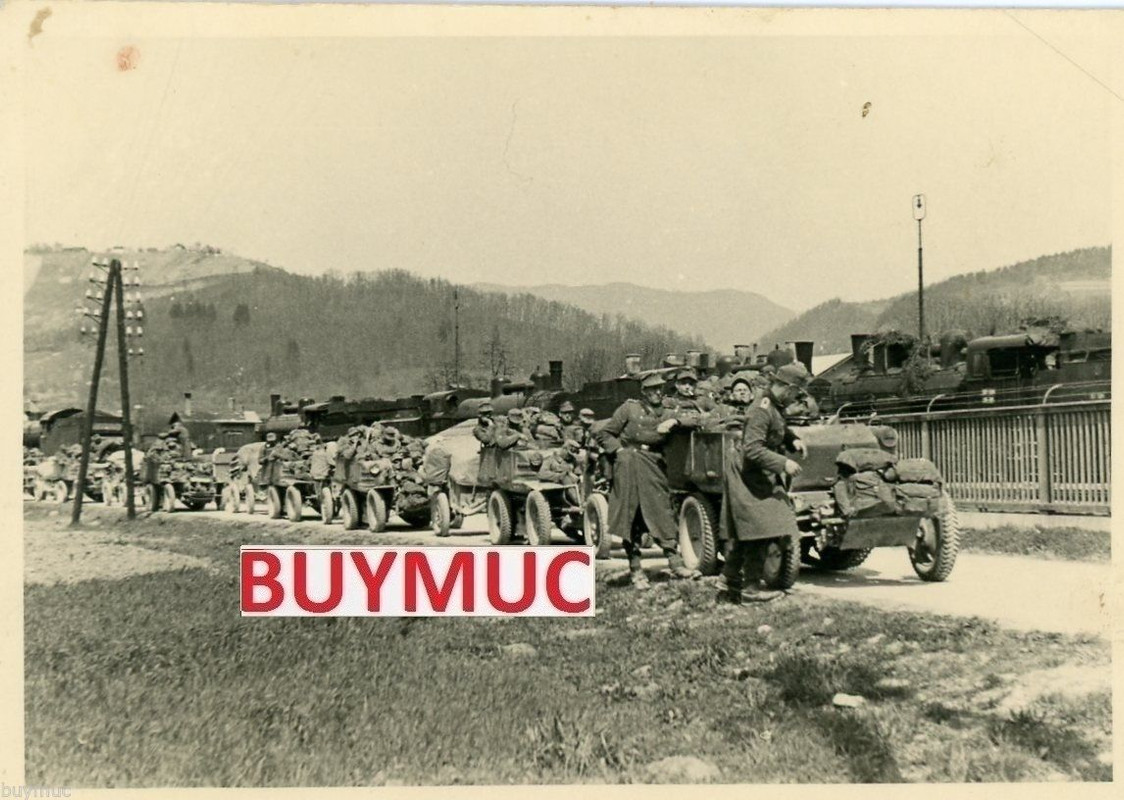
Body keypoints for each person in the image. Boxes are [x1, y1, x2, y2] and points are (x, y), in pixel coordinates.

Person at [717, 362, 810, 604]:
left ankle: (728, 579)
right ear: (786, 388)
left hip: (758, 474)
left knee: (752, 528)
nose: (797, 398)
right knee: (763, 526)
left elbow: (779, 428)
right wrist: (783, 463)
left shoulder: (774, 406)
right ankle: (750, 590)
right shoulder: (761, 408)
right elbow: (752, 449)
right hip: (748, 473)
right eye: (797, 393)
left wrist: (794, 440)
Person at [596, 372, 698, 589]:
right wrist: (620, 451)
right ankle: (635, 568)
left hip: (654, 466)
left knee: (661, 512)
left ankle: (675, 562)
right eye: (652, 390)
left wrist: (675, 420)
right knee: (630, 516)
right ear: (644, 392)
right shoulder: (629, 409)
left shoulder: (670, 410)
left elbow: (698, 419)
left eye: (660, 389)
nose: (657, 393)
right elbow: (605, 434)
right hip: (628, 465)